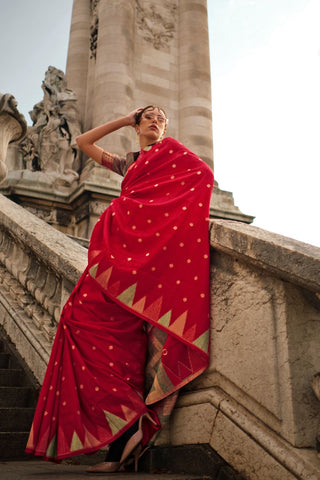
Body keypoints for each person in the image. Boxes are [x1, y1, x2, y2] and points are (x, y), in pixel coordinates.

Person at [25, 105, 214, 473]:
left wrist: (155, 219)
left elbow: (203, 176)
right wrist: (124, 119)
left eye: (161, 117)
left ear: (167, 127)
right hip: (112, 259)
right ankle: (124, 431)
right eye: (148, 117)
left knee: (123, 355)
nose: (155, 121)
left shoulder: (172, 153)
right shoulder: (127, 163)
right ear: (138, 124)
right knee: (74, 321)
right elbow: (82, 142)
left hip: (142, 268)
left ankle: (122, 442)